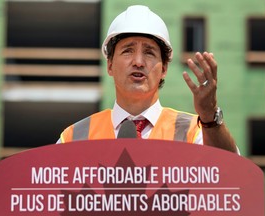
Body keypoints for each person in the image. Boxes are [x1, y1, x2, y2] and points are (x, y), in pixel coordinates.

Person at [57, 5, 238, 154]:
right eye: (128, 50)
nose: (138, 62)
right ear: (110, 65)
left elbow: (233, 175)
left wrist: (210, 117)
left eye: (149, 53)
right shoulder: (75, 137)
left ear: (164, 69)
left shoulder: (194, 131)